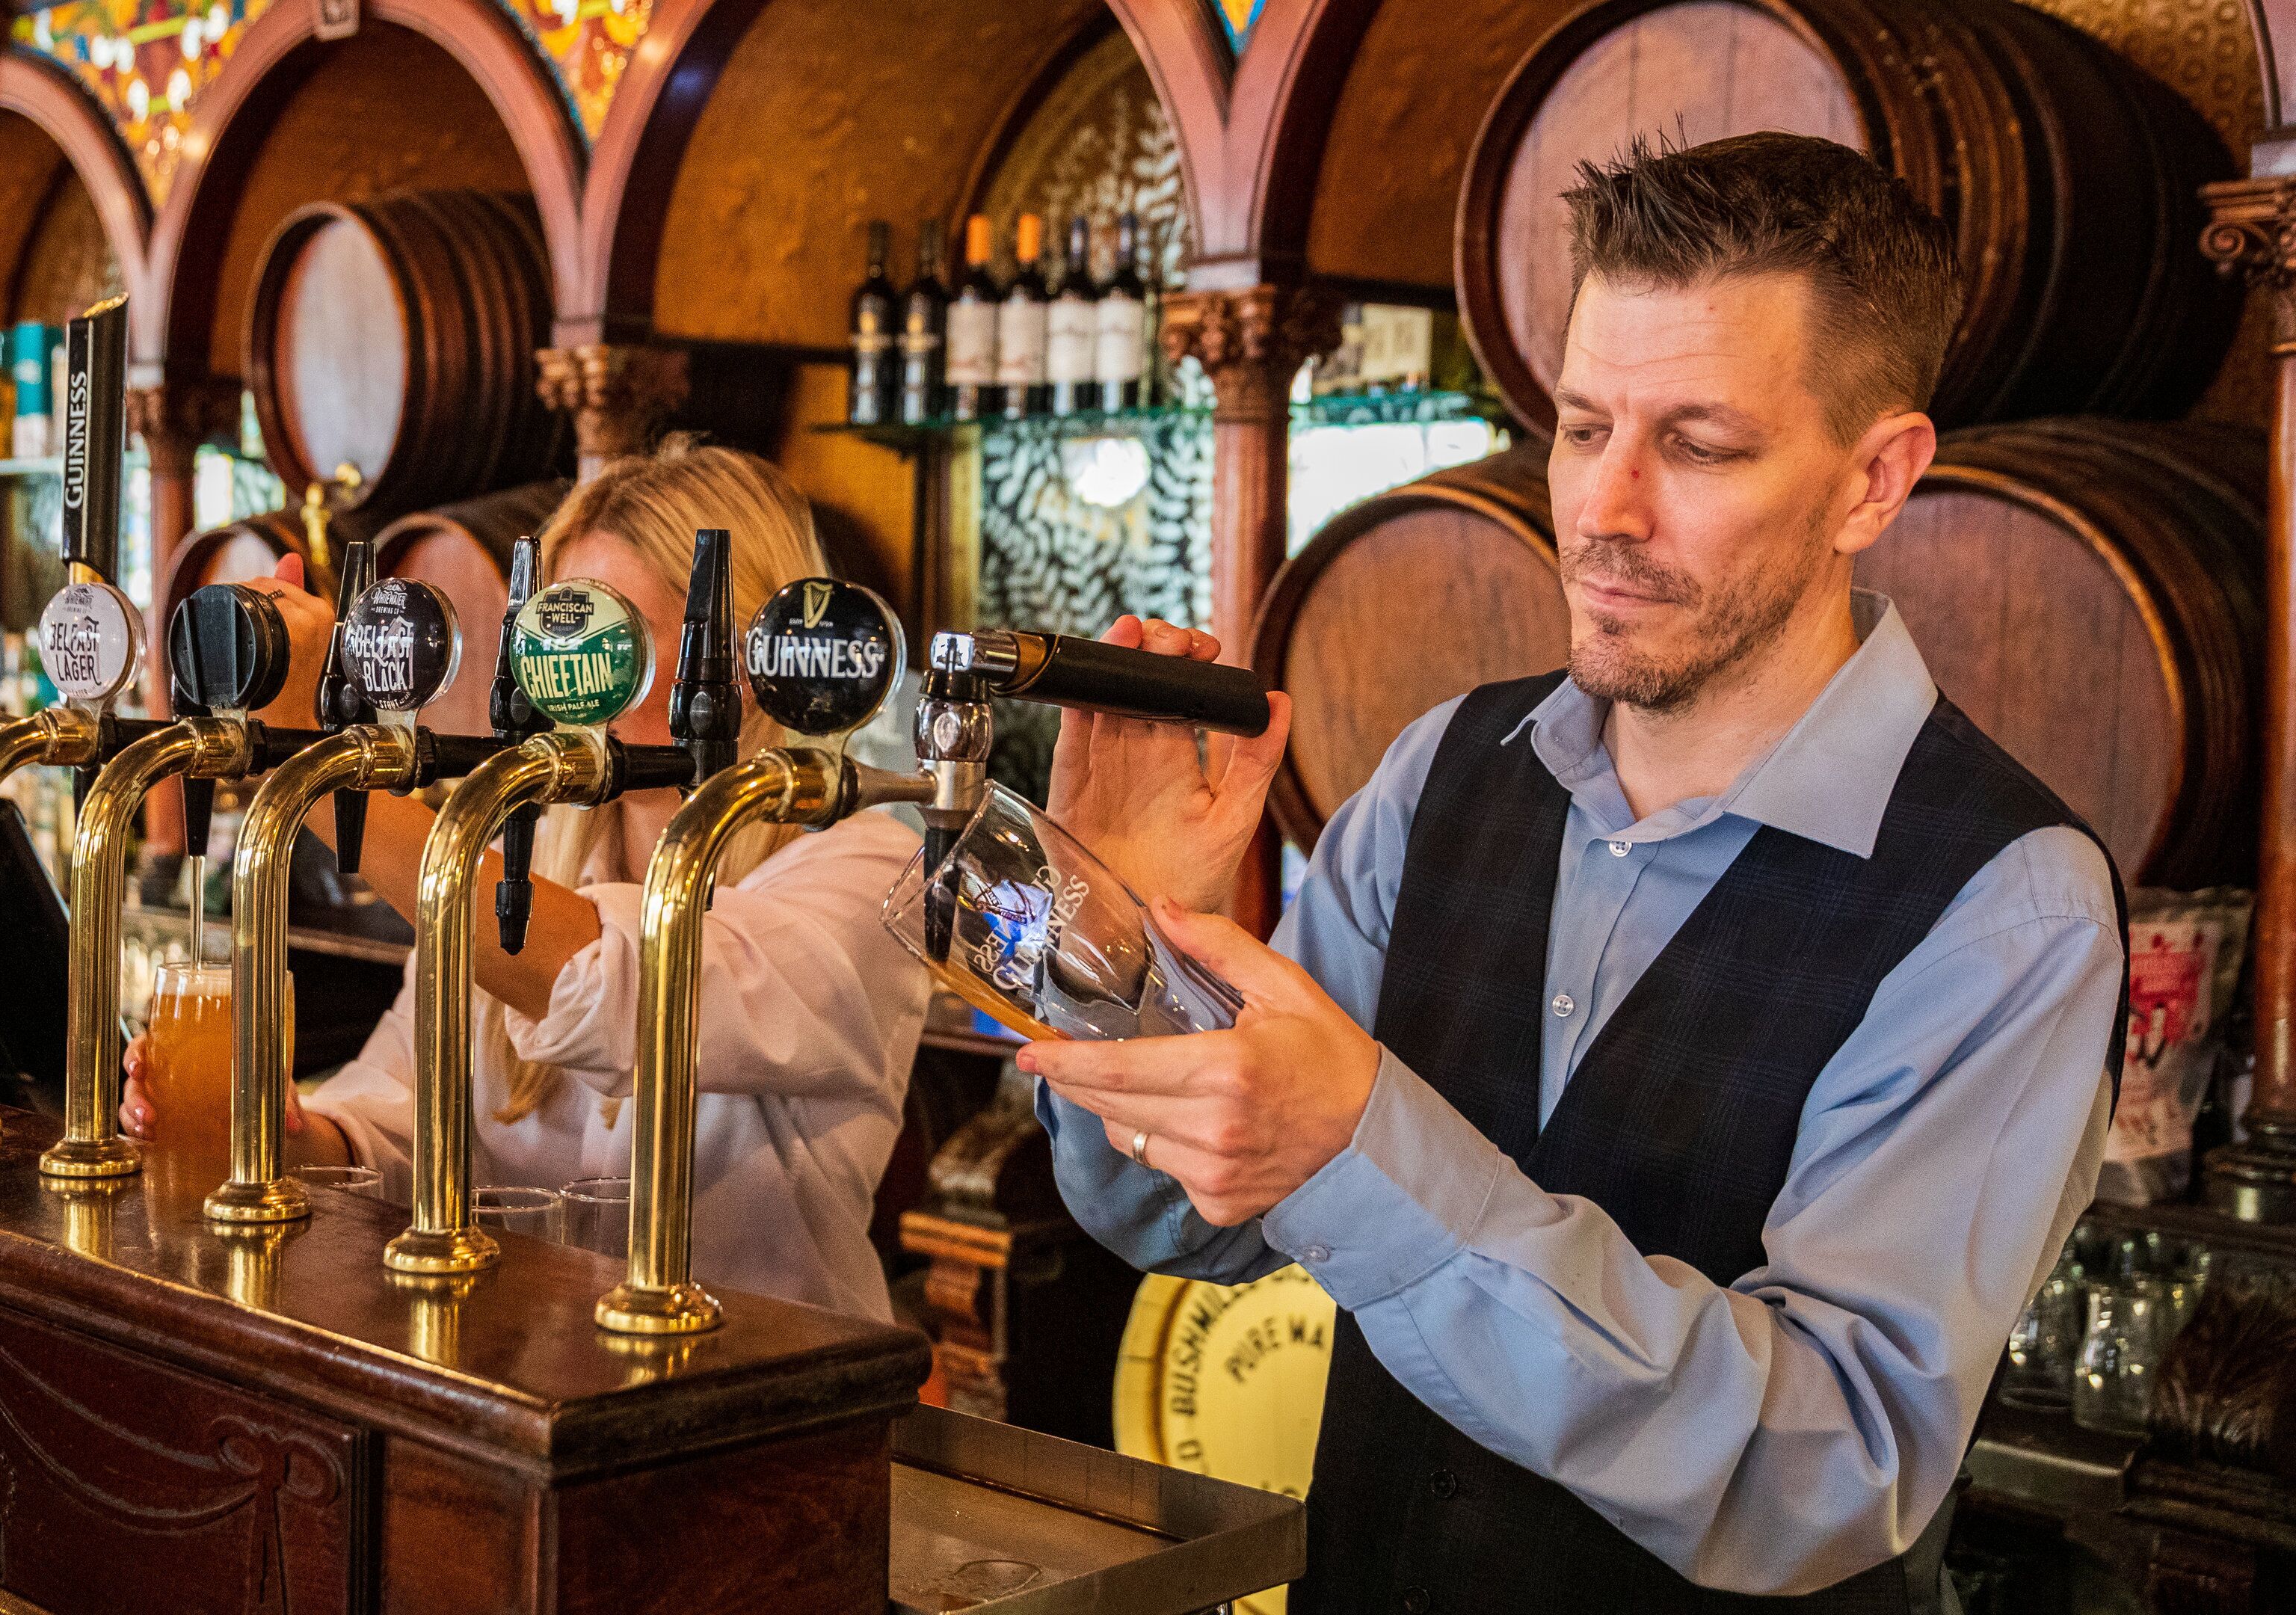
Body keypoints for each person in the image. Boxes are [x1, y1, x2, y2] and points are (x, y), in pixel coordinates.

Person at [1029, 133, 2126, 1610]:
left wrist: (1362, 1150)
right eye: (1581, 424)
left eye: (1698, 445)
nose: (1606, 508)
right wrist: (1126, 948)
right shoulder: (1442, 774)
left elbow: (1826, 1469)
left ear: (1876, 478)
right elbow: (1177, 1229)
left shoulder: (2009, 901)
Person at [120, 441, 929, 1321]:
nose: (573, 683)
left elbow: (621, 982)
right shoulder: (533, 852)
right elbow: (399, 1112)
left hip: (765, 1403)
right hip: (534, 1382)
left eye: (616, 640)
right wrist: (299, 1133)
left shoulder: (871, 872)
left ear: (743, 654)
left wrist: (319, 754)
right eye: (558, 636)